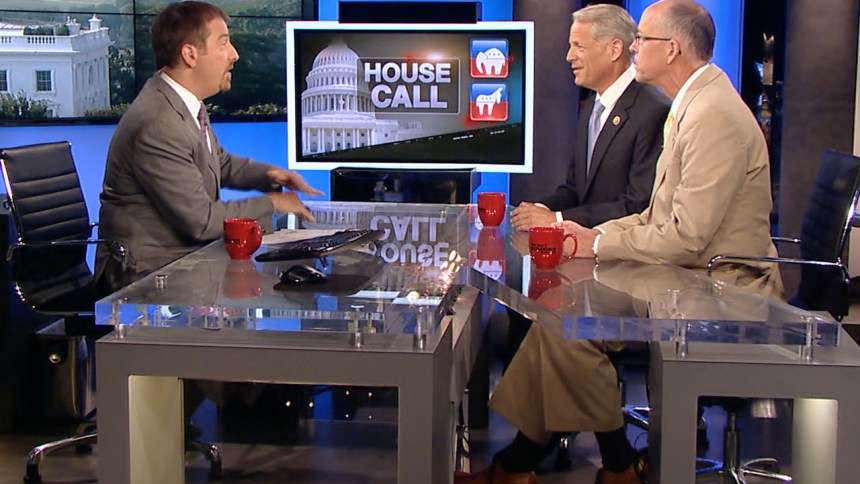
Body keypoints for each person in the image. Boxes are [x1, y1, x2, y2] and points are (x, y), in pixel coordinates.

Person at [457, 1, 782, 483]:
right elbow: (654, 215)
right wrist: (590, 236)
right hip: (683, 276)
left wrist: (596, 245)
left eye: (643, 39)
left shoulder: (712, 115)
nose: (634, 48)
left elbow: (687, 236)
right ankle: (532, 464)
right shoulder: (692, 105)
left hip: (723, 289)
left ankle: (595, 465)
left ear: (671, 50)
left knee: (570, 330)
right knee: (556, 323)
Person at [95, 0, 322, 292]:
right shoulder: (158, 122)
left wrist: (270, 176)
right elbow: (201, 222)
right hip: (146, 275)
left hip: (182, 261)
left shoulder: (182, 102)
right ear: (190, 54)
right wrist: (274, 203)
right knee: (276, 290)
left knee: (277, 278)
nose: (234, 54)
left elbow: (219, 162)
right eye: (224, 43)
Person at [510, 4, 669, 231]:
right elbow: (576, 189)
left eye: (579, 46)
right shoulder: (592, 106)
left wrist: (557, 219)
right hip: (584, 245)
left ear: (614, 49)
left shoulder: (653, 110)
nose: (569, 56)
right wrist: (538, 210)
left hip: (620, 247)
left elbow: (639, 206)